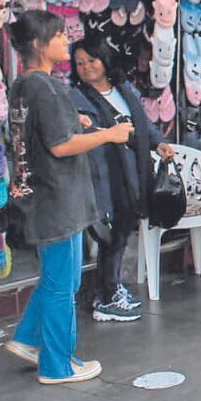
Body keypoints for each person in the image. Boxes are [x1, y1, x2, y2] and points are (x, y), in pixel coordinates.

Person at [2, 10, 132, 384]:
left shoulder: (24, 85)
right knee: (63, 285)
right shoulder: (46, 87)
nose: (66, 41)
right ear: (39, 45)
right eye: (58, 36)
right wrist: (108, 135)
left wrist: (78, 121)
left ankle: (29, 339)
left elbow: (43, 131)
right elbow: (60, 145)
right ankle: (57, 365)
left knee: (57, 277)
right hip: (57, 199)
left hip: (42, 196)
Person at [69, 38, 174, 323]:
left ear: (104, 59)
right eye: (79, 63)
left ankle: (110, 290)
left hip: (131, 174)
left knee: (122, 230)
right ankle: (107, 297)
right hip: (103, 176)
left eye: (91, 60)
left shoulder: (124, 90)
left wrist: (159, 143)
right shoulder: (76, 98)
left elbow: (142, 125)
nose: (86, 67)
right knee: (110, 233)